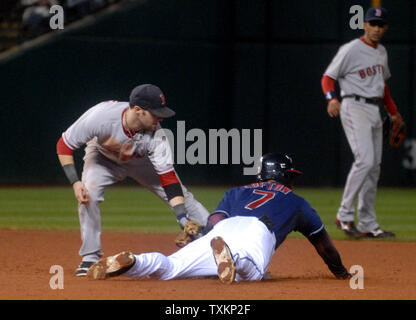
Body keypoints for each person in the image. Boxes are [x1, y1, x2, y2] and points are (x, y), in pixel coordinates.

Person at [86, 153, 351, 283]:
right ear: (286, 177)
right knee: (254, 272)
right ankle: (234, 259)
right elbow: (323, 245)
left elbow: (213, 222)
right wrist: (340, 272)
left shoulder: (237, 191)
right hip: (256, 231)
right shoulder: (296, 202)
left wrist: (201, 236)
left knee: (169, 268)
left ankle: (137, 261)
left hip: (221, 231)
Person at [56, 84, 210, 276]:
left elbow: (169, 180)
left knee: (184, 198)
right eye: (155, 113)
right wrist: (75, 182)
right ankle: (90, 257)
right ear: (137, 110)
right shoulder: (101, 117)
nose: (160, 118)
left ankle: (221, 239)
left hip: (142, 162)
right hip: (102, 158)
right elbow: (64, 145)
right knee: (89, 193)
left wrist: (182, 217)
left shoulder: (158, 137)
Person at [321, 7, 400, 239]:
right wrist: (331, 98)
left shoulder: (381, 52)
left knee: (374, 168)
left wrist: (393, 113)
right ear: (364, 25)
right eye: (372, 23)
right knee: (365, 161)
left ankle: (367, 223)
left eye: (380, 25)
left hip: (375, 108)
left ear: (384, 28)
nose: (376, 28)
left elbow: (382, 86)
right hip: (353, 105)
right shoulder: (351, 49)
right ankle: (344, 216)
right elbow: (327, 78)